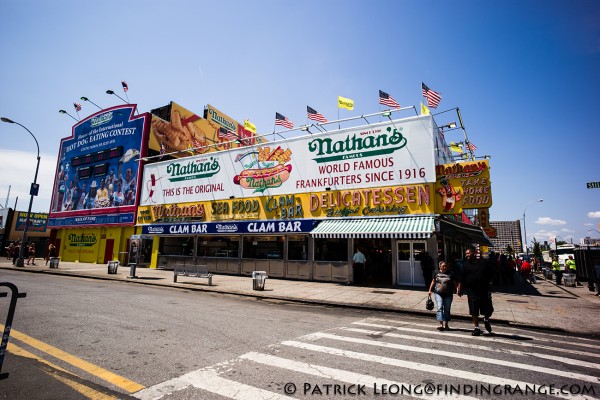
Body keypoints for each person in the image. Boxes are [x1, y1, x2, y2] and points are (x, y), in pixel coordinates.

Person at [457, 246, 494, 336]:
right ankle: (476, 328)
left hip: (484, 290)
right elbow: (462, 278)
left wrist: (490, 286)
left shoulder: (483, 263)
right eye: (466, 254)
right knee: (474, 310)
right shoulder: (465, 265)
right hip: (471, 291)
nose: (467, 255)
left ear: (474, 253)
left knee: (488, 310)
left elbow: (490, 275)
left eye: (468, 253)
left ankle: (486, 319)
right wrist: (459, 288)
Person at [428, 260, 456, 331]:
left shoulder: (450, 273)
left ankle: (446, 325)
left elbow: (454, 282)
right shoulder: (436, 273)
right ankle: (441, 324)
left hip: (448, 294)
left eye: (446, 266)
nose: (445, 267)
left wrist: (458, 289)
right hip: (438, 293)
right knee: (439, 307)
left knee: (447, 309)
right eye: (443, 266)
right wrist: (430, 290)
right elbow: (433, 281)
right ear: (440, 266)